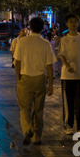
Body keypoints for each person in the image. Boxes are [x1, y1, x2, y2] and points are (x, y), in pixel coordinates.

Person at [13, 17, 57, 145]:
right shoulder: (45, 44)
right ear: (42, 28)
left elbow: (17, 63)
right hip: (40, 79)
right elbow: (50, 65)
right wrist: (50, 85)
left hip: (25, 78)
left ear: (29, 28)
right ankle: (37, 137)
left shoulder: (22, 42)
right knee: (38, 110)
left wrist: (18, 79)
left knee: (24, 108)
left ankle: (28, 129)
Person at [59, 13, 80, 136]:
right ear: (67, 24)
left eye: (75, 21)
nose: (73, 24)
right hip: (67, 76)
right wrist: (67, 66)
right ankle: (69, 125)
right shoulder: (64, 39)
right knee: (68, 102)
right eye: (70, 21)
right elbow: (62, 55)